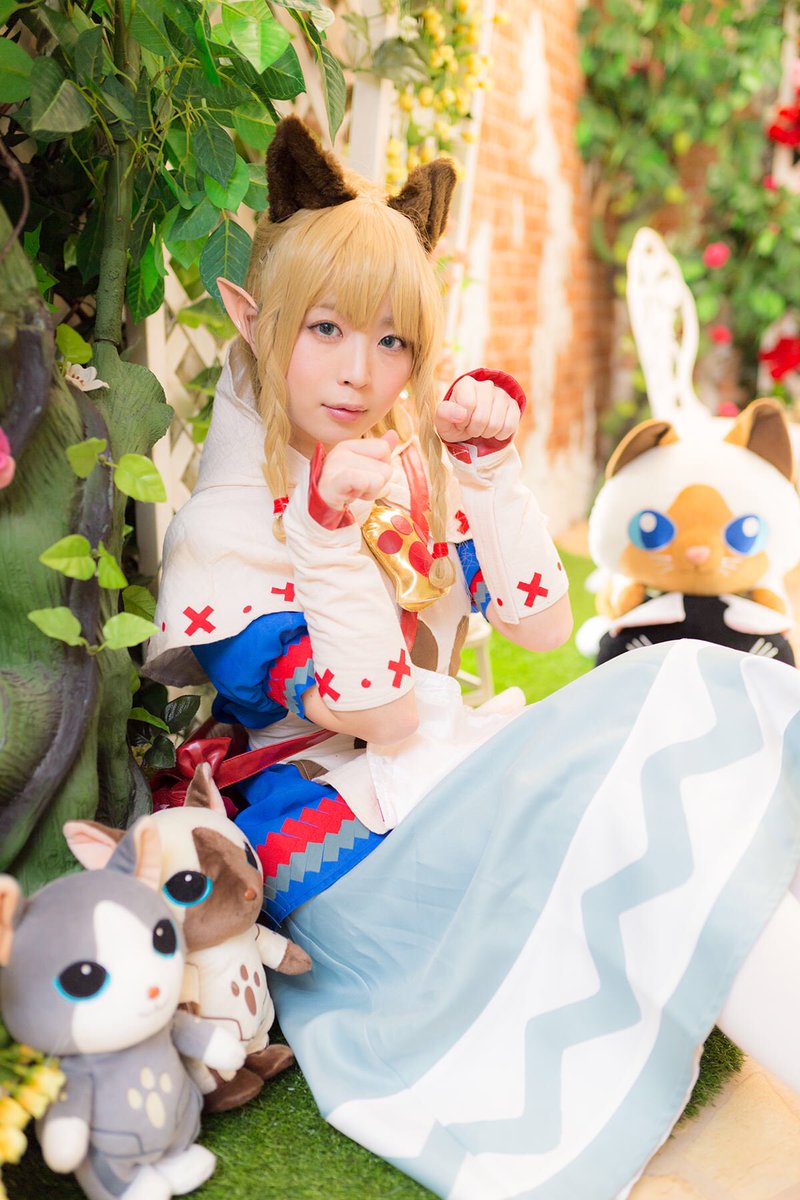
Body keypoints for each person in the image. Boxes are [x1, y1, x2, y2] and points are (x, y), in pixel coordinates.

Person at [145, 117, 800, 1200]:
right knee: (663, 721)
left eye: (393, 340)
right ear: (252, 322)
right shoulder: (228, 527)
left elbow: (539, 625)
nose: (361, 373)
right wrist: (323, 538)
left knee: (673, 781)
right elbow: (380, 717)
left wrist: (488, 473)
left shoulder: (395, 464)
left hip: (441, 786)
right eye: (325, 329)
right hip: (351, 855)